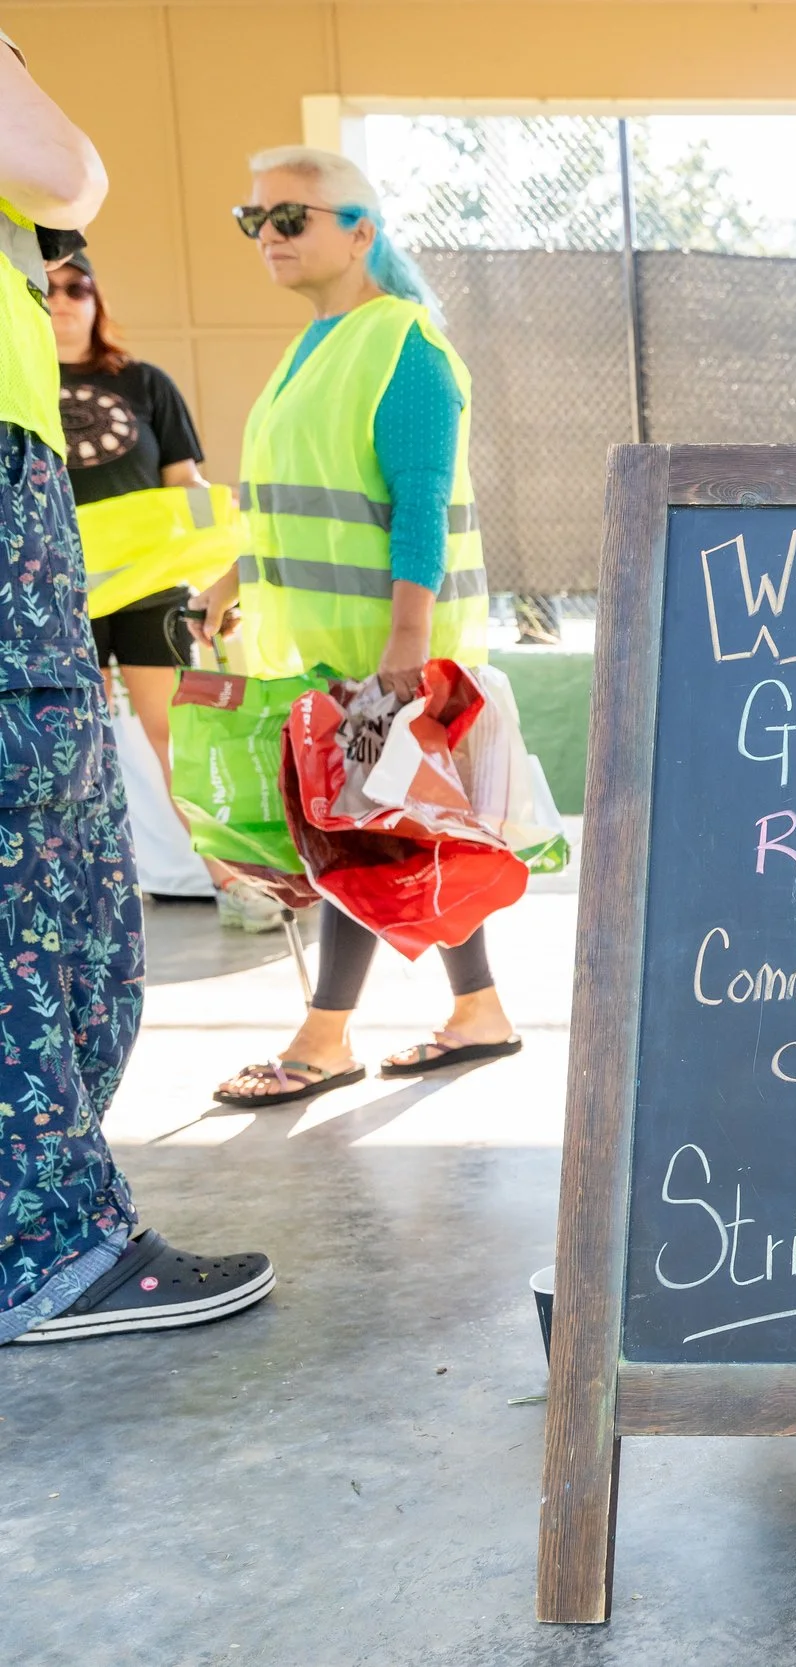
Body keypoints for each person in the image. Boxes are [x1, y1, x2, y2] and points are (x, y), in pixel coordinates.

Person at [0, 29, 273, 1343]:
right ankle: (43, 1243)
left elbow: (183, 493)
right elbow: (64, 168)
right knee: (38, 835)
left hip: (128, 579)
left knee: (93, 787)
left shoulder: (138, 380)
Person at [196, 145, 520, 1109]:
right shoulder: (321, 345)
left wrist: (404, 655)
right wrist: (238, 573)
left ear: (360, 233)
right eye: (253, 219)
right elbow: (312, 502)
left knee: (357, 830)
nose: (268, 236)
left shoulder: (403, 344)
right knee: (414, 825)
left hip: (387, 643)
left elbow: (419, 502)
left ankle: (323, 1036)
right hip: (334, 640)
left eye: (290, 217)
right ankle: (480, 1012)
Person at [48, 249, 277, 932]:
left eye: (76, 288)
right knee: (62, 749)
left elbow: (188, 491)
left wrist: (220, 581)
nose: (62, 302)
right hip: (54, 599)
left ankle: (235, 882)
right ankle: (67, 903)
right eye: (48, 291)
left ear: (97, 299)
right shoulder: (15, 386)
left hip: (151, 594)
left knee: (175, 739)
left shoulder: (146, 384)